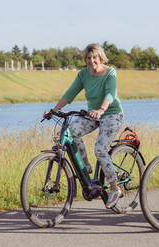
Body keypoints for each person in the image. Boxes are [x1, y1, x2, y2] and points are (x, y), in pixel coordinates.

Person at [44, 43, 124, 209]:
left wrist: (102, 109)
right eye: (88, 58)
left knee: (100, 149)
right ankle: (86, 164)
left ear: (100, 57)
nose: (92, 61)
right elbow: (70, 93)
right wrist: (54, 110)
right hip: (92, 114)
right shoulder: (83, 75)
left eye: (95, 57)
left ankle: (115, 189)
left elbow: (110, 93)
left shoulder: (110, 72)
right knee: (71, 130)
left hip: (111, 114)